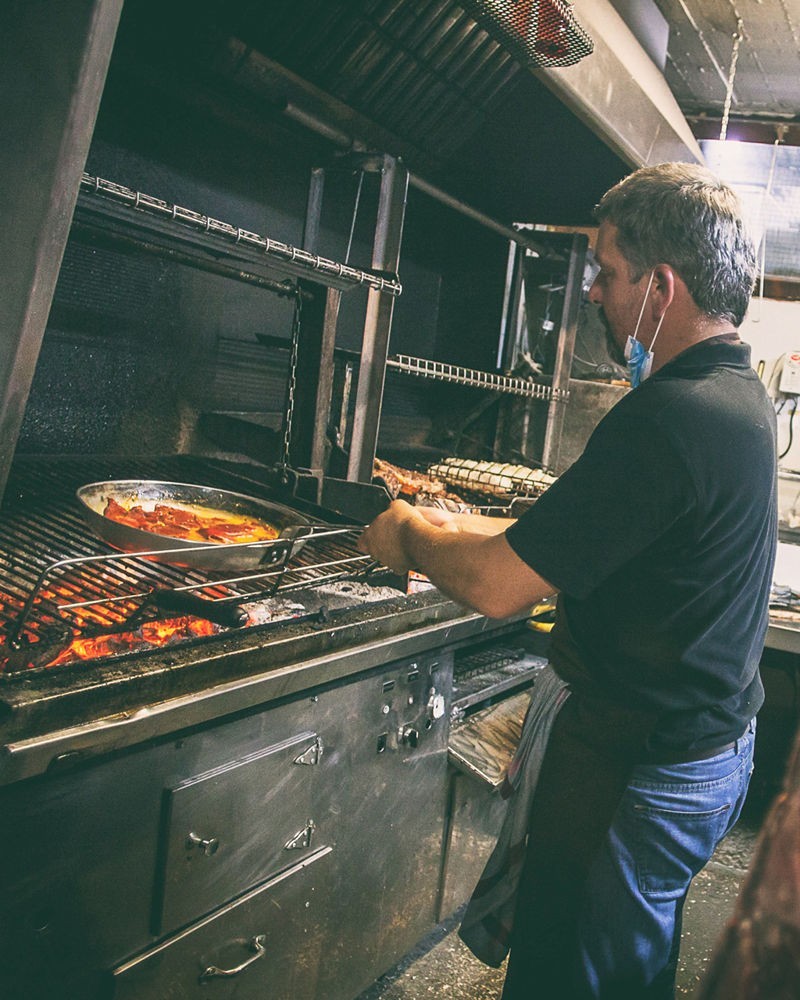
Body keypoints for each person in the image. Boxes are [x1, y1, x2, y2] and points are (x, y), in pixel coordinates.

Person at [357, 161, 777, 998]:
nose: (592, 292)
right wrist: (455, 523)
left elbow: (501, 587)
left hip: (638, 766)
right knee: (627, 965)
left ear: (661, 288)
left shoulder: (669, 416)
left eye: (608, 272)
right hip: (707, 748)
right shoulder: (735, 391)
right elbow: (568, 538)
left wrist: (408, 532)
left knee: (569, 974)